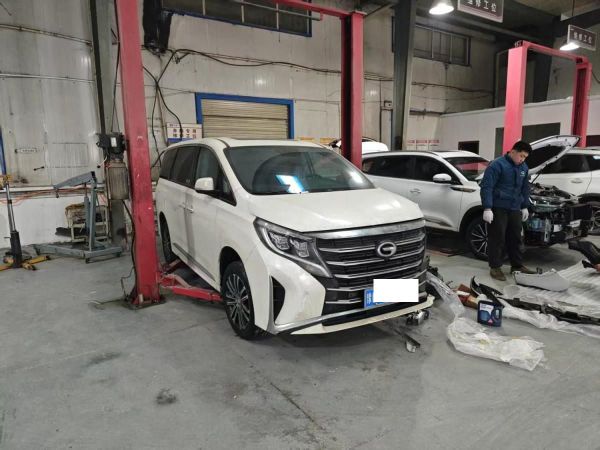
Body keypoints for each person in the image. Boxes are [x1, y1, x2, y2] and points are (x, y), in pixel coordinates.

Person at [480, 140, 536, 281]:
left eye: (525, 157)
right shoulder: (497, 165)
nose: (522, 159)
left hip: (514, 207)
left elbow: (524, 188)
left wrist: (524, 206)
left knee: (516, 238)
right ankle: (495, 267)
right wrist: (487, 208)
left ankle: (516, 266)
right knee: (497, 238)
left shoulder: (523, 167)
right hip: (498, 207)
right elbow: (487, 187)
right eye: (521, 156)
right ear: (513, 151)